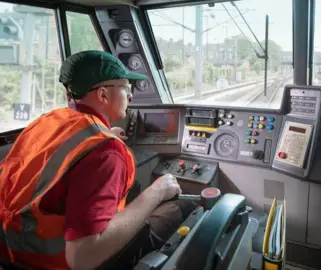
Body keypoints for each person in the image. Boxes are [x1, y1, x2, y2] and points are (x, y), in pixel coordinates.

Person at [0, 51, 194, 270]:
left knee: (134, 187)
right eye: (126, 87)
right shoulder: (105, 151)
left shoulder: (47, 122)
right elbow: (82, 259)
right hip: (59, 263)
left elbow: (67, 151)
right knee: (182, 206)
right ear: (103, 95)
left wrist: (105, 132)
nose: (130, 96)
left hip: (13, 253)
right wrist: (156, 192)